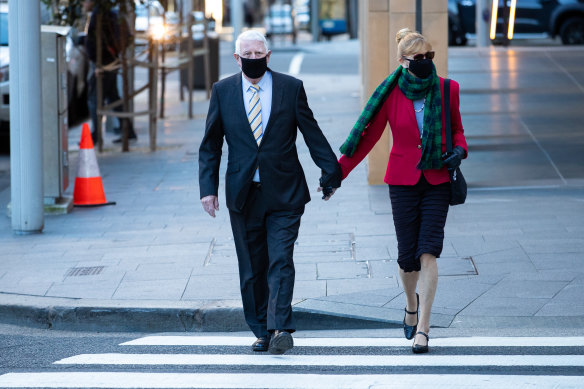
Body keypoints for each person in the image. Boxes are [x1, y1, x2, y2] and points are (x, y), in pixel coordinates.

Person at [198, 30, 341, 355]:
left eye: (258, 54)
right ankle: (261, 329)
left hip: (285, 192)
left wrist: (330, 171)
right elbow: (210, 145)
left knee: (280, 259)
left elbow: (311, 131)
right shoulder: (223, 91)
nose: (253, 59)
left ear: (268, 54)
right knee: (252, 269)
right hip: (243, 194)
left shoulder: (291, 88)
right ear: (237, 58)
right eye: (247, 55)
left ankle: (279, 327)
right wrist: (208, 189)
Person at [338, 28, 467, 354]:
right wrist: (337, 173)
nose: (425, 63)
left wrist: (459, 151)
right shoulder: (391, 93)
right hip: (402, 182)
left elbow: (458, 131)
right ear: (403, 62)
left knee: (429, 251)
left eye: (429, 57)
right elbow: (367, 138)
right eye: (417, 58)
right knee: (407, 258)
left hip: (437, 180)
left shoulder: (447, 89)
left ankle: (423, 327)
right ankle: (411, 303)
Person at [84, 0, 137, 144]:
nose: (83, 4)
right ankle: (128, 130)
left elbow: (97, 41)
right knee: (113, 97)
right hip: (110, 61)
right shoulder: (107, 12)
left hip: (104, 63)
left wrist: (98, 64)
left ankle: (97, 135)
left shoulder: (99, 14)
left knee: (94, 99)